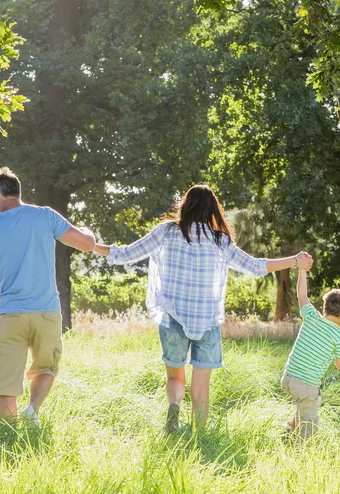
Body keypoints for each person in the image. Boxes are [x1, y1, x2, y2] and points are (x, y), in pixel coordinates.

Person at [93, 184, 312, 434]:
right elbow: (255, 266)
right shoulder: (220, 240)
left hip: (172, 319)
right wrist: (294, 260)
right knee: (201, 389)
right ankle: (199, 436)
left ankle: (174, 406)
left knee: (175, 378)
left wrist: (92, 245)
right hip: (206, 322)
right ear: (213, 210)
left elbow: (126, 253)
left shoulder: (165, 231)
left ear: (185, 206)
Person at [0, 167, 96, 426]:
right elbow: (86, 244)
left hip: (10, 315)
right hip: (46, 313)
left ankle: (8, 439)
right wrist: (89, 233)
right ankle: (32, 410)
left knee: (6, 385)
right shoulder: (45, 216)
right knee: (46, 369)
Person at [281, 266, 340, 438]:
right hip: (307, 385)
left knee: (303, 407)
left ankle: (286, 434)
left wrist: (302, 270)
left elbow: (302, 294)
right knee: (309, 420)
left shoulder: (311, 316)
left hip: (288, 378)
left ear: (325, 306)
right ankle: (303, 451)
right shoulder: (339, 335)